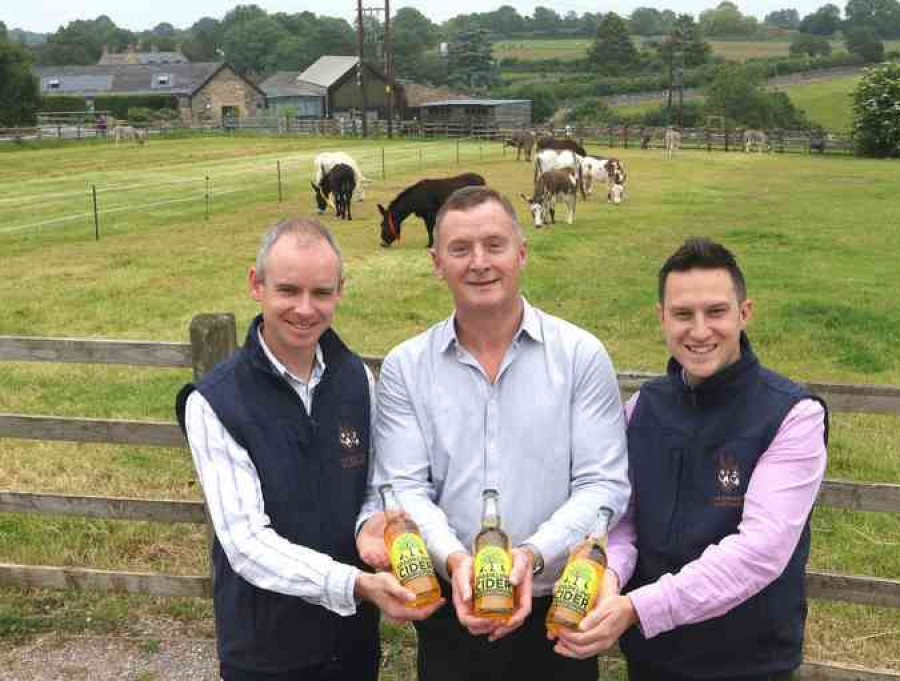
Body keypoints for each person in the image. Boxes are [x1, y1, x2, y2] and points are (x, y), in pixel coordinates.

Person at [358, 186, 630, 681]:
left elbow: (603, 485)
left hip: (558, 610)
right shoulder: (405, 366)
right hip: (449, 608)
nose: (479, 262)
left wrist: (532, 555)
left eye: (494, 245)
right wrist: (458, 562)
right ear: (436, 262)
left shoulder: (580, 356)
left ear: (521, 252)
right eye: (460, 249)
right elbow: (403, 489)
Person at [553, 237, 828, 681]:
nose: (700, 331)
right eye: (683, 314)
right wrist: (610, 577)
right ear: (661, 317)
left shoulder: (792, 415)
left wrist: (637, 608)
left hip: (748, 661)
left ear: (745, 312)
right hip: (652, 657)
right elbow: (624, 522)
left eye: (716, 312)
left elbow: (761, 551)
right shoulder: (642, 409)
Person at [176, 217, 439, 681]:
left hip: (352, 641)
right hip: (266, 648)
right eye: (287, 290)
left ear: (341, 290)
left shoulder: (356, 378)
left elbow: (373, 485)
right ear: (256, 285)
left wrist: (371, 525)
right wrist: (354, 583)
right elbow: (246, 542)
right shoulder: (215, 401)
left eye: (321, 293)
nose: (304, 309)